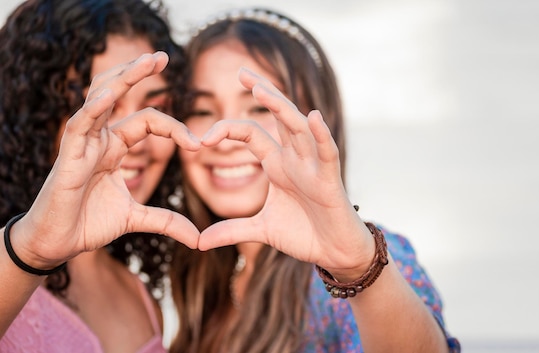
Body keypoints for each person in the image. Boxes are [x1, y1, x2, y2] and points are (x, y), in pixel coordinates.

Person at [169, 7, 461, 353]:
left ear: (317, 122)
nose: (229, 135)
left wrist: (360, 271)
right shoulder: (206, 277)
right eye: (201, 111)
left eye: (261, 108)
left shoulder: (364, 266)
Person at [0, 0, 198, 351]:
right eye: (102, 107)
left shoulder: (144, 299)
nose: (135, 137)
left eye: (155, 107)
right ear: (34, 113)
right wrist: (30, 252)